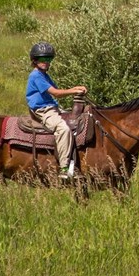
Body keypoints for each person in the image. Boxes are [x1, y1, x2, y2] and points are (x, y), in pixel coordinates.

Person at [24, 41, 88, 179]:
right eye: (42, 59)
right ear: (34, 60)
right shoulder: (35, 76)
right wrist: (74, 90)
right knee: (63, 129)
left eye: (48, 59)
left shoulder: (44, 75)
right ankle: (64, 168)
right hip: (42, 110)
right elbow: (56, 93)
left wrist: (76, 89)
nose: (46, 62)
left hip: (51, 107)